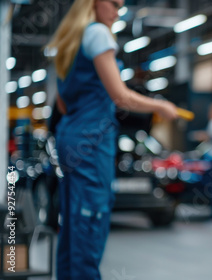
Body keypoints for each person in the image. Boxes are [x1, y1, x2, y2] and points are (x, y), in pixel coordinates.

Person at [45, 0, 178, 279]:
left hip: (70, 136)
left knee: (73, 221)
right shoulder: (98, 33)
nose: (118, 11)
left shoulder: (72, 41)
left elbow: (63, 105)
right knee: (90, 219)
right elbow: (121, 96)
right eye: (114, 4)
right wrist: (159, 106)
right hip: (91, 142)